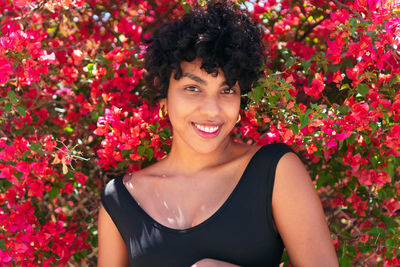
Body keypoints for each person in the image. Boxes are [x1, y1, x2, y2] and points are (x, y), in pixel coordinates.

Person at [97, 1, 339, 266]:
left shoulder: (276, 171)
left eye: (226, 91)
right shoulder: (120, 199)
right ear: (163, 94)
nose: (211, 111)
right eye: (193, 88)